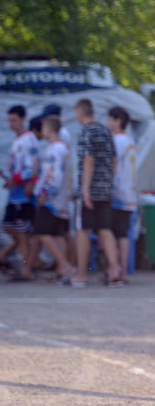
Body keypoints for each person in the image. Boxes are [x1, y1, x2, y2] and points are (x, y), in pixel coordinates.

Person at [70, 98, 122, 287]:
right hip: (104, 188)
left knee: (82, 229)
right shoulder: (106, 131)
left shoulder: (86, 132)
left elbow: (89, 160)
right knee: (104, 228)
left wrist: (85, 188)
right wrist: (107, 179)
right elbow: (115, 159)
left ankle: (81, 274)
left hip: (89, 190)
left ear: (80, 112)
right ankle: (115, 269)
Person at [0, 105, 39, 281]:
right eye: (9, 120)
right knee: (13, 229)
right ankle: (27, 260)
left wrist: (18, 179)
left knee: (21, 232)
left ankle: (26, 267)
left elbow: (33, 168)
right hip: (14, 193)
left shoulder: (28, 139)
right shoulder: (17, 139)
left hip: (23, 193)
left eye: (14, 120)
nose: (10, 124)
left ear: (23, 120)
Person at [33, 115, 74, 282]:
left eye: (44, 128)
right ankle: (62, 270)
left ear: (49, 129)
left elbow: (54, 174)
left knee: (41, 231)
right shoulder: (61, 148)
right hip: (61, 199)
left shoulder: (55, 149)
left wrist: (45, 192)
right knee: (57, 234)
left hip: (52, 199)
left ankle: (64, 265)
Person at [107, 106, 136, 282]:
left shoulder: (117, 141)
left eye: (110, 119)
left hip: (117, 194)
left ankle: (115, 270)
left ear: (118, 121)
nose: (108, 123)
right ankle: (123, 271)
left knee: (110, 232)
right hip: (129, 194)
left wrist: (108, 186)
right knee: (123, 234)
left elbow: (113, 166)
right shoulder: (130, 140)